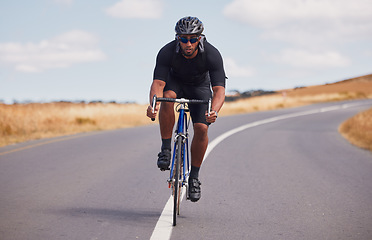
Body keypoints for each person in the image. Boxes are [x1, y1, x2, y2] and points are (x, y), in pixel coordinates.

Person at [146, 16, 226, 202]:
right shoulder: (167, 52)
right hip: (176, 83)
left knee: (202, 128)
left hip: (199, 87)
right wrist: (153, 105)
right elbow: (158, 83)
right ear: (177, 38)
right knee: (168, 98)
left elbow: (219, 89)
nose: (188, 43)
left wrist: (214, 111)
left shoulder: (212, 54)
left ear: (200, 38)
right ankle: (166, 149)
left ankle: (194, 178)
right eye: (183, 39)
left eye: (192, 39)